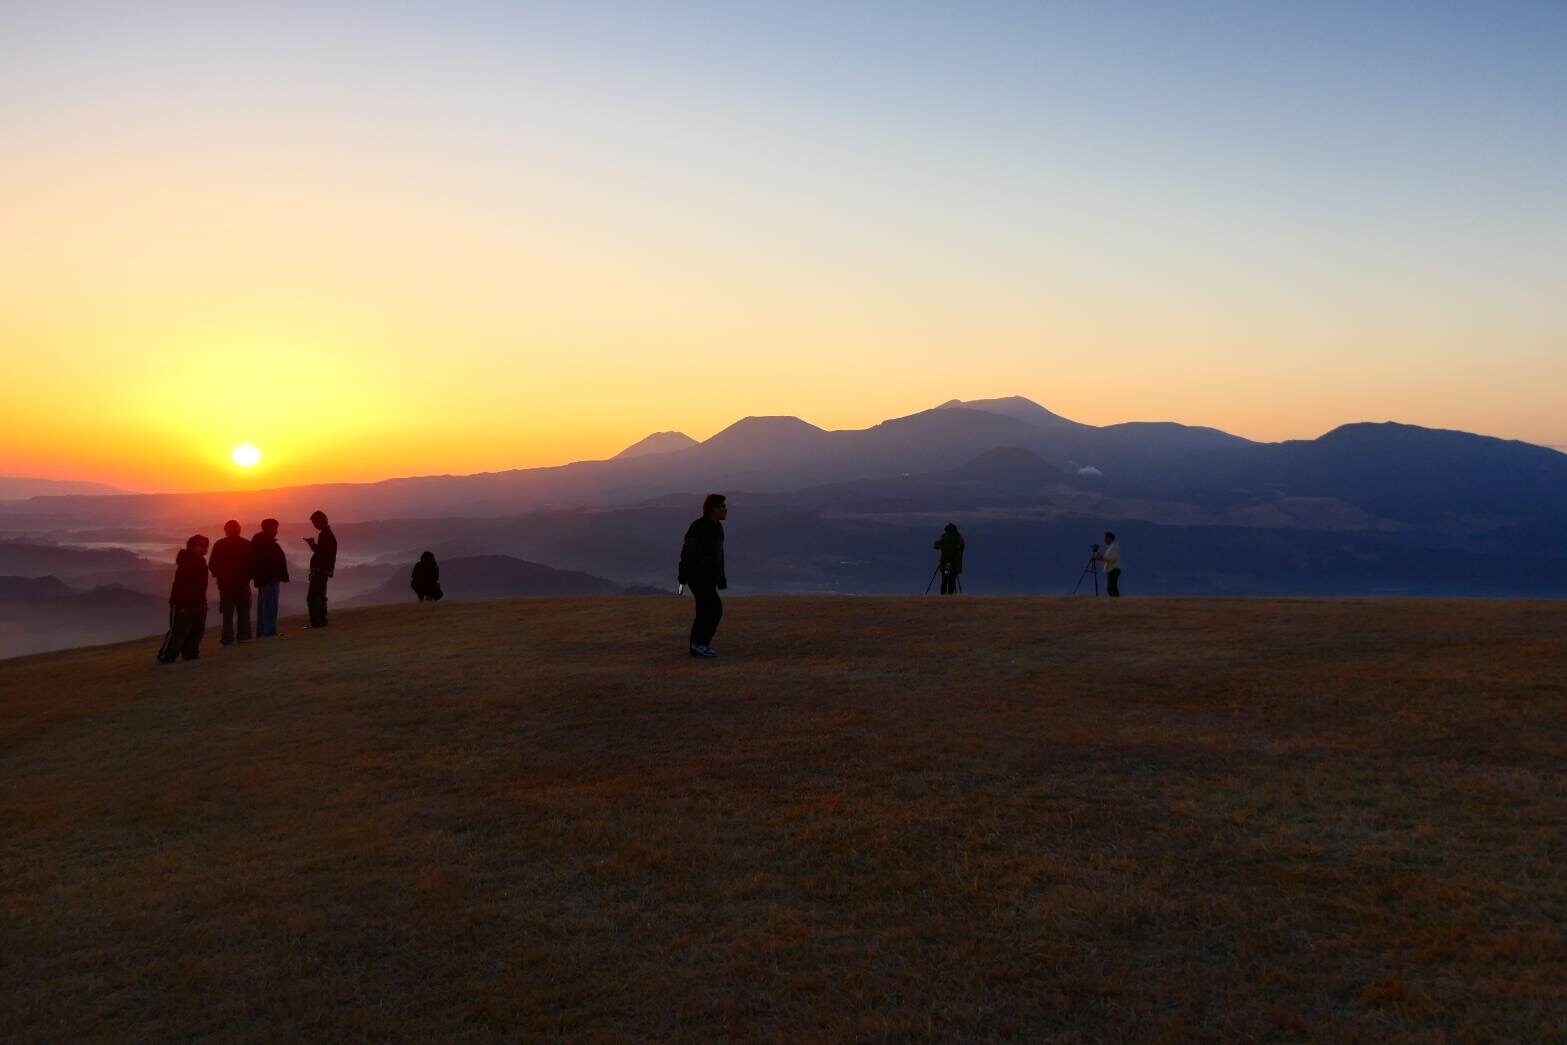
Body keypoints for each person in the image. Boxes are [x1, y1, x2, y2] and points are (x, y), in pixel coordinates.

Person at [678, 493, 727, 658]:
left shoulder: (717, 527)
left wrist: (720, 578)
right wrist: (683, 574)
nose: (726, 510)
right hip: (697, 576)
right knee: (711, 608)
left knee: (708, 609)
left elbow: (718, 555)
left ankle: (700, 644)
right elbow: (687, 552)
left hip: (709, 577)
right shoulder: (700, 526)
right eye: (722, 507)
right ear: (713, 509)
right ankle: (698, 644)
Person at [156, 535, 210, 663]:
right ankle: (165, 657)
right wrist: (183, 604)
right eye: (201, 545)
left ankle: (190, 654)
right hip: (183, 603)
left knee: (196, 631)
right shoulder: (187, 561)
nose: (205, 548)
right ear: (192, 546)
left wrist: (202, 601)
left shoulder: (199, 561)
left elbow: (200, 585)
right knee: (178, 631)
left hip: (198, 602)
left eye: (206, 545)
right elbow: (184, 585)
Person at [208, 519, 253, 645]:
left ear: (225, 530)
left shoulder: (219, 544)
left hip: (226, 585)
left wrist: (220, 576)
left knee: (227, 614)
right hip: (242, 584)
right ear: (239, 530)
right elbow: (253, 564)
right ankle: (244, 637)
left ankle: (227, 639)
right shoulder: (246, 544)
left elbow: (212, 564)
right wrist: (247, 577)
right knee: (243, 612)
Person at [250, 517, 289, 637]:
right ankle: (269, 632)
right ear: (267, 528)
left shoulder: (261, 541)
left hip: (265, 579)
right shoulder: (265, 543)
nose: (276, 531)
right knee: (270, 606)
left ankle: (263, 632)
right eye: (274, 528)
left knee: (265, 606)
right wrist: (273, 575)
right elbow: (265, 562)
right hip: (269, 579)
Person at [303, 509, 337, 628]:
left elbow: (322, 554)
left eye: (314, 523)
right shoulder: (327, 534)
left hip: (320, 571)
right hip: (324, 571)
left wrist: (312, 545)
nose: (314, 526)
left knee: (313, 597)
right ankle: (322, 620)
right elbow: (324, 552)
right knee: (321, 596)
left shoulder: (325, 535)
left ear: (319, 522)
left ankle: (316, 622)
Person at [932, 522, 966, 594]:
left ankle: (943, 597)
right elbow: (962, 548)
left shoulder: (945, 538)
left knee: (944, 581)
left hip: (945, 563)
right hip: (955, 565)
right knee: (952, 581)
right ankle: (950, 597)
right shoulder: (959, 539)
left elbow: (936, 545)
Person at [1095, 531, 1123, 597]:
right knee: (1112, 588)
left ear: (1109, 538)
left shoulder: (1114, 547)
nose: (1104, 540)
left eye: (1105, 538)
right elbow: (1108, 559)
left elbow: (1113, 559)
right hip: (1112, 569)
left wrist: (1102, 557)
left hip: (1113, 569)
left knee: (1111, 588)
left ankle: (1117, 603)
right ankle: (1116, 602)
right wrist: (1100, 558)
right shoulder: (1112, 547)